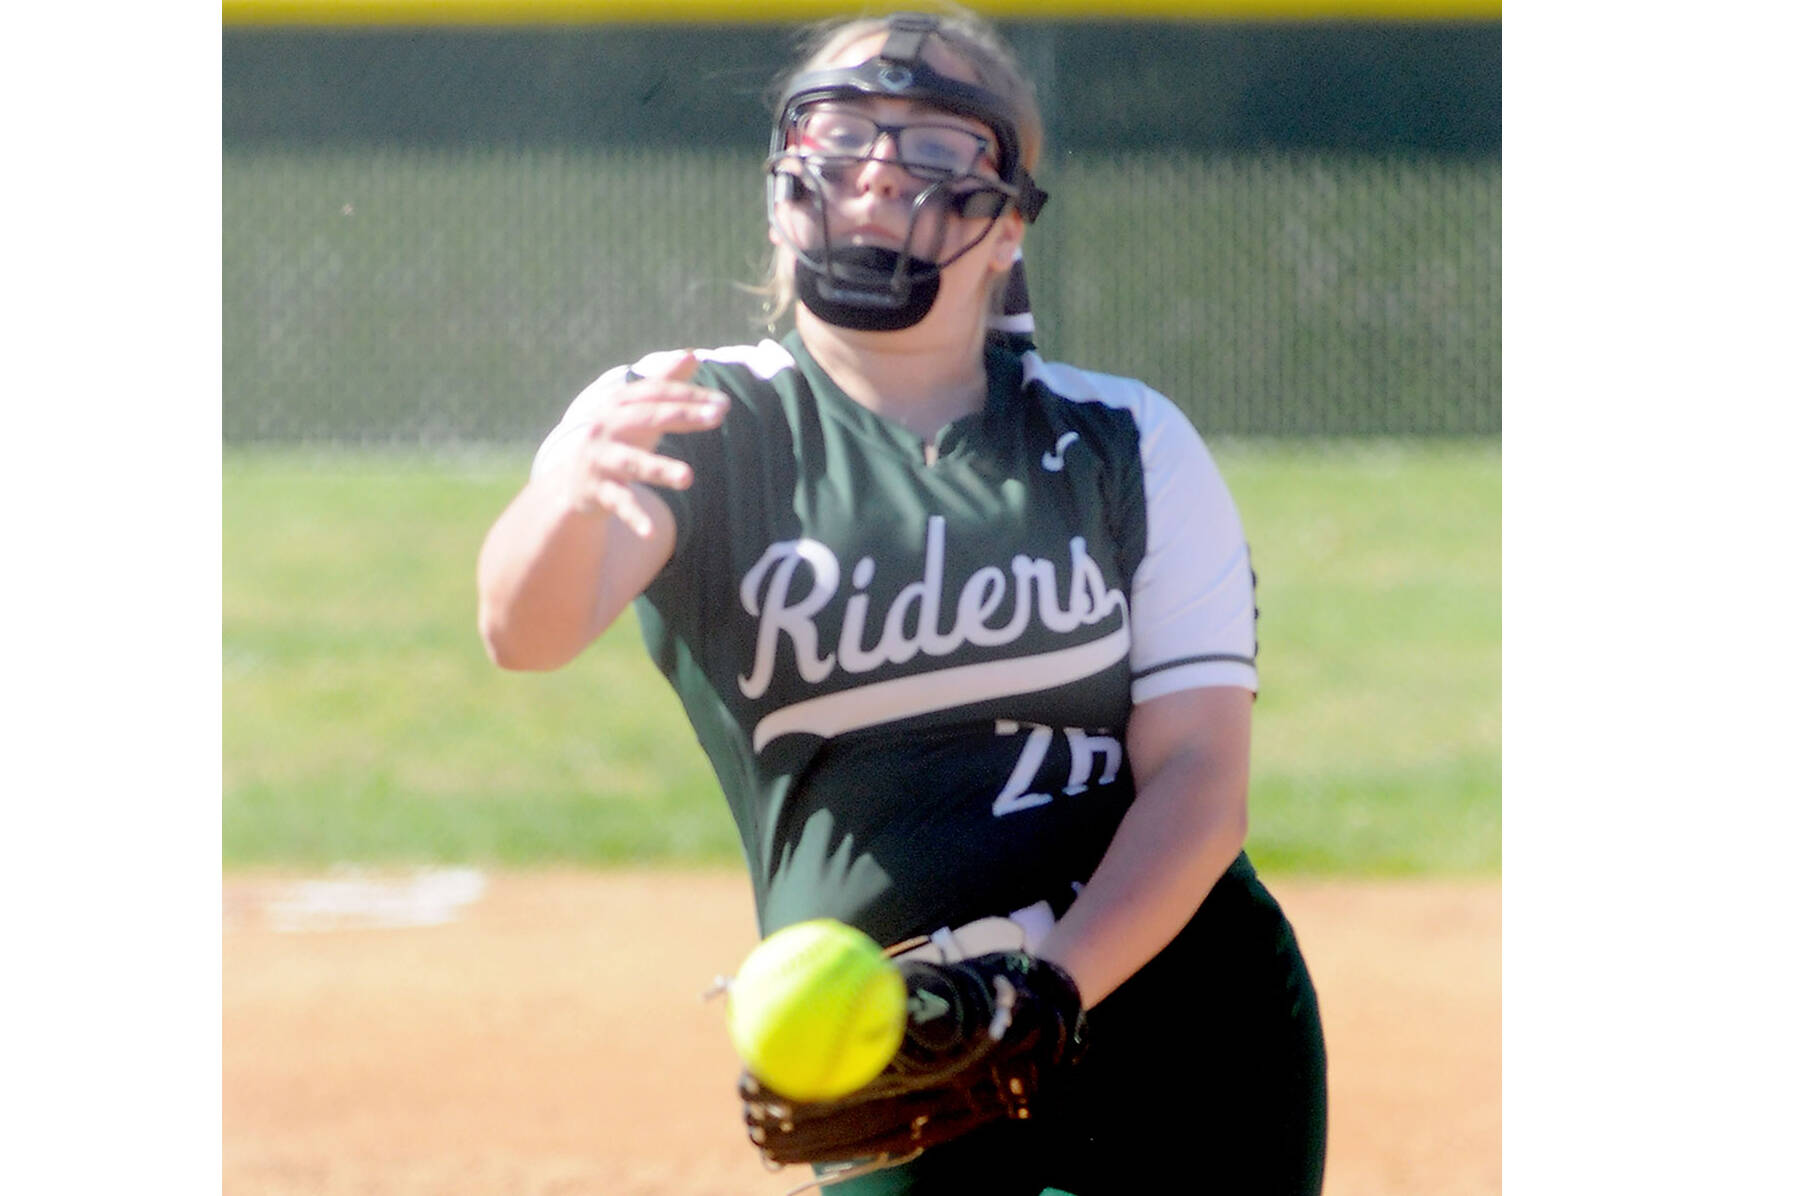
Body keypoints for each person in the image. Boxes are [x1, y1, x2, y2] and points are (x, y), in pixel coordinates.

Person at [477, 9, 1326, 1194]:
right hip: (890, 1043)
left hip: (1176, 1005)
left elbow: (1199, 776)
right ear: (783, 183)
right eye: (842, 130)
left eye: (933, 146)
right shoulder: (687, 414)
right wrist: (563, 499)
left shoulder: (1123, 439)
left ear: (1008, 223)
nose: (878, 165)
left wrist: (1048, 988)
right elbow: (525, 632)